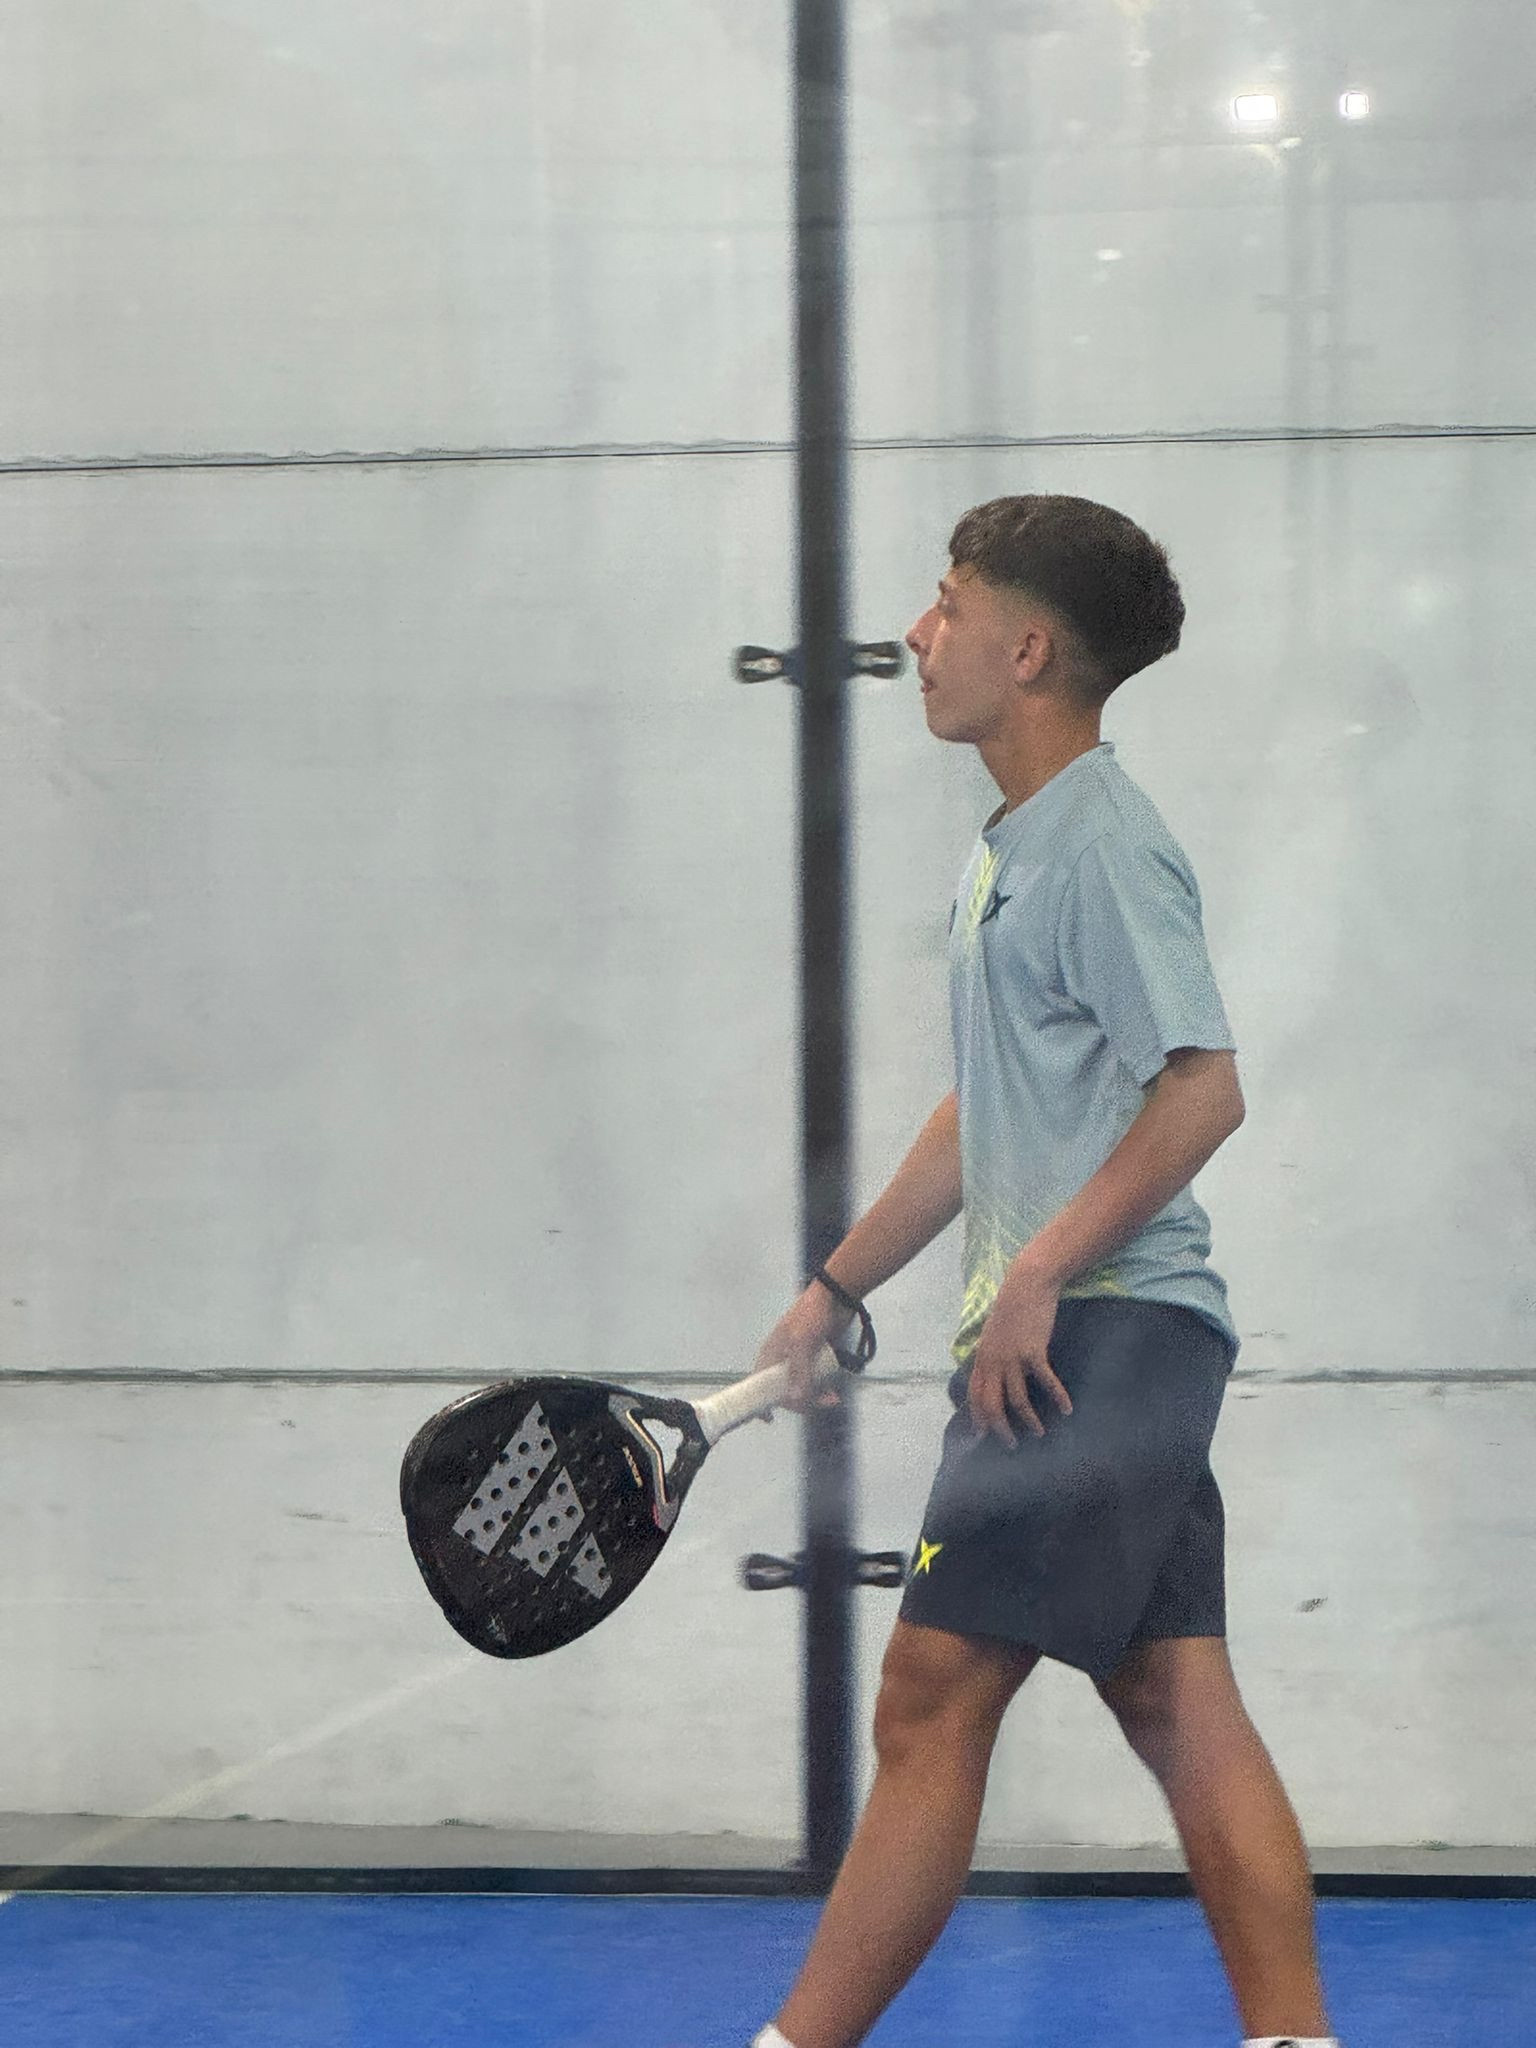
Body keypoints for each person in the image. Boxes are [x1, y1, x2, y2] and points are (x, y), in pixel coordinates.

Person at [747, 496, 1340, 2048]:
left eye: (947, 605)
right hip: (1106, 1338)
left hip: (1096, 1341)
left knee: (929, 1692)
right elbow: (983, 1111)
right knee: (1173, 1695)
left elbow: (1202, 1088)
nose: (916, 633)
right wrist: (837, 1286)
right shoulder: (1011, 850)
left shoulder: (1102, 844)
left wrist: (1038, 1278)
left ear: (1026, 650)